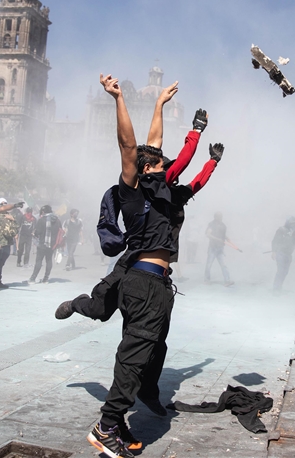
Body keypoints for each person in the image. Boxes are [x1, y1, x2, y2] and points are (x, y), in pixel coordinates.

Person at [82, 74, 210, 458]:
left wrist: (159, 106)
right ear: (140, 169)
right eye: (153, 161)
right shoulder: (133, 189)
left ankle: (117, 420)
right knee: (136, 355)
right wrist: (118, 98)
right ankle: (106, 427)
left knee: (146, 353)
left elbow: (151, 144)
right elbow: (129, 144)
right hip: (143, 282)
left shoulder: (158, 190)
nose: (160, 161)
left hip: (155, 285)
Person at [0, 198, 18, 289]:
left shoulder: (10, 216)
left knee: (1, 264)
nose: (3, 205)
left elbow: (16, 229)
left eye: (5, 203)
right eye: (1, 204)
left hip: (7, 243)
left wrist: (13, 219)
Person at [29, 205, 60, 283]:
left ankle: (33, 278)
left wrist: (34, 233)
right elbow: (60, 231)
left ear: (43, 211)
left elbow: (38, 232)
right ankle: (46, 278)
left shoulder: (42, 220)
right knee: (49, 260)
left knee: (39, 261)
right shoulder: (57, 220)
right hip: (52, 244)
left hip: (43, 243)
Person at [205, 212, 237, 286]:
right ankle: (206, 280)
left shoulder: (223, 225)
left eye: (221, 217)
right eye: (219, 217)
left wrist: (227, 238)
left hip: (220, 248)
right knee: (209, 264)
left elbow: (222, 234)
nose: (220, 218)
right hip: (212, 248)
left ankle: (227, 280)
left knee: (223, 265)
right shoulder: (212, 224)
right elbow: (208, 234)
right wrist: (217, 239)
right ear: (215, 217)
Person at [271, 216, 295, 291]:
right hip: (281, 254)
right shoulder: (281, 230)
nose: (293, 225)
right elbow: (275, 241)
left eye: (294, 223)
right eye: (292, 223)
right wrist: (273, 252)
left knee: (285, 272)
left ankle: (279, 286)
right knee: (280, 271)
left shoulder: (294, 232)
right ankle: (276, 288)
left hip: (289, 255)